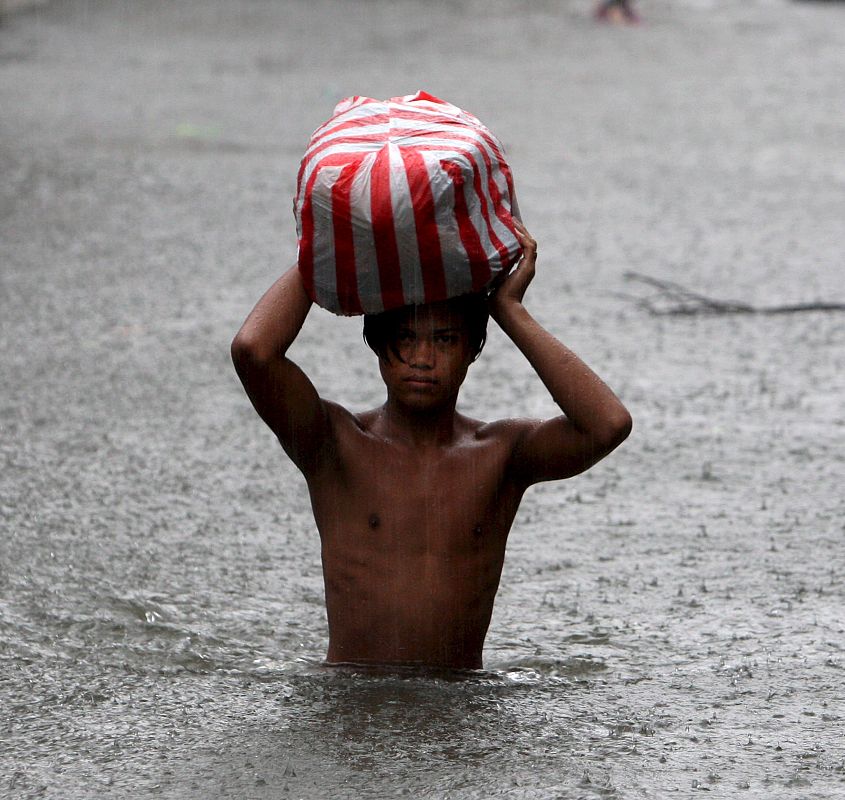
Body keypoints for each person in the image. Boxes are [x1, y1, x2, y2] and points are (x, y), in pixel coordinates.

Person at [231, 221, 632, 671]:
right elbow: (253, 350)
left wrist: (508, 310)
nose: (423, 359)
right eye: (405, 338)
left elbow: (608, 424)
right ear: (379, 347)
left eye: (444, 340)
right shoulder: (333, 444)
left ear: (471, 351)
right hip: (354, 703)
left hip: (460, 705)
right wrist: (327, 249)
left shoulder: (501, 454)